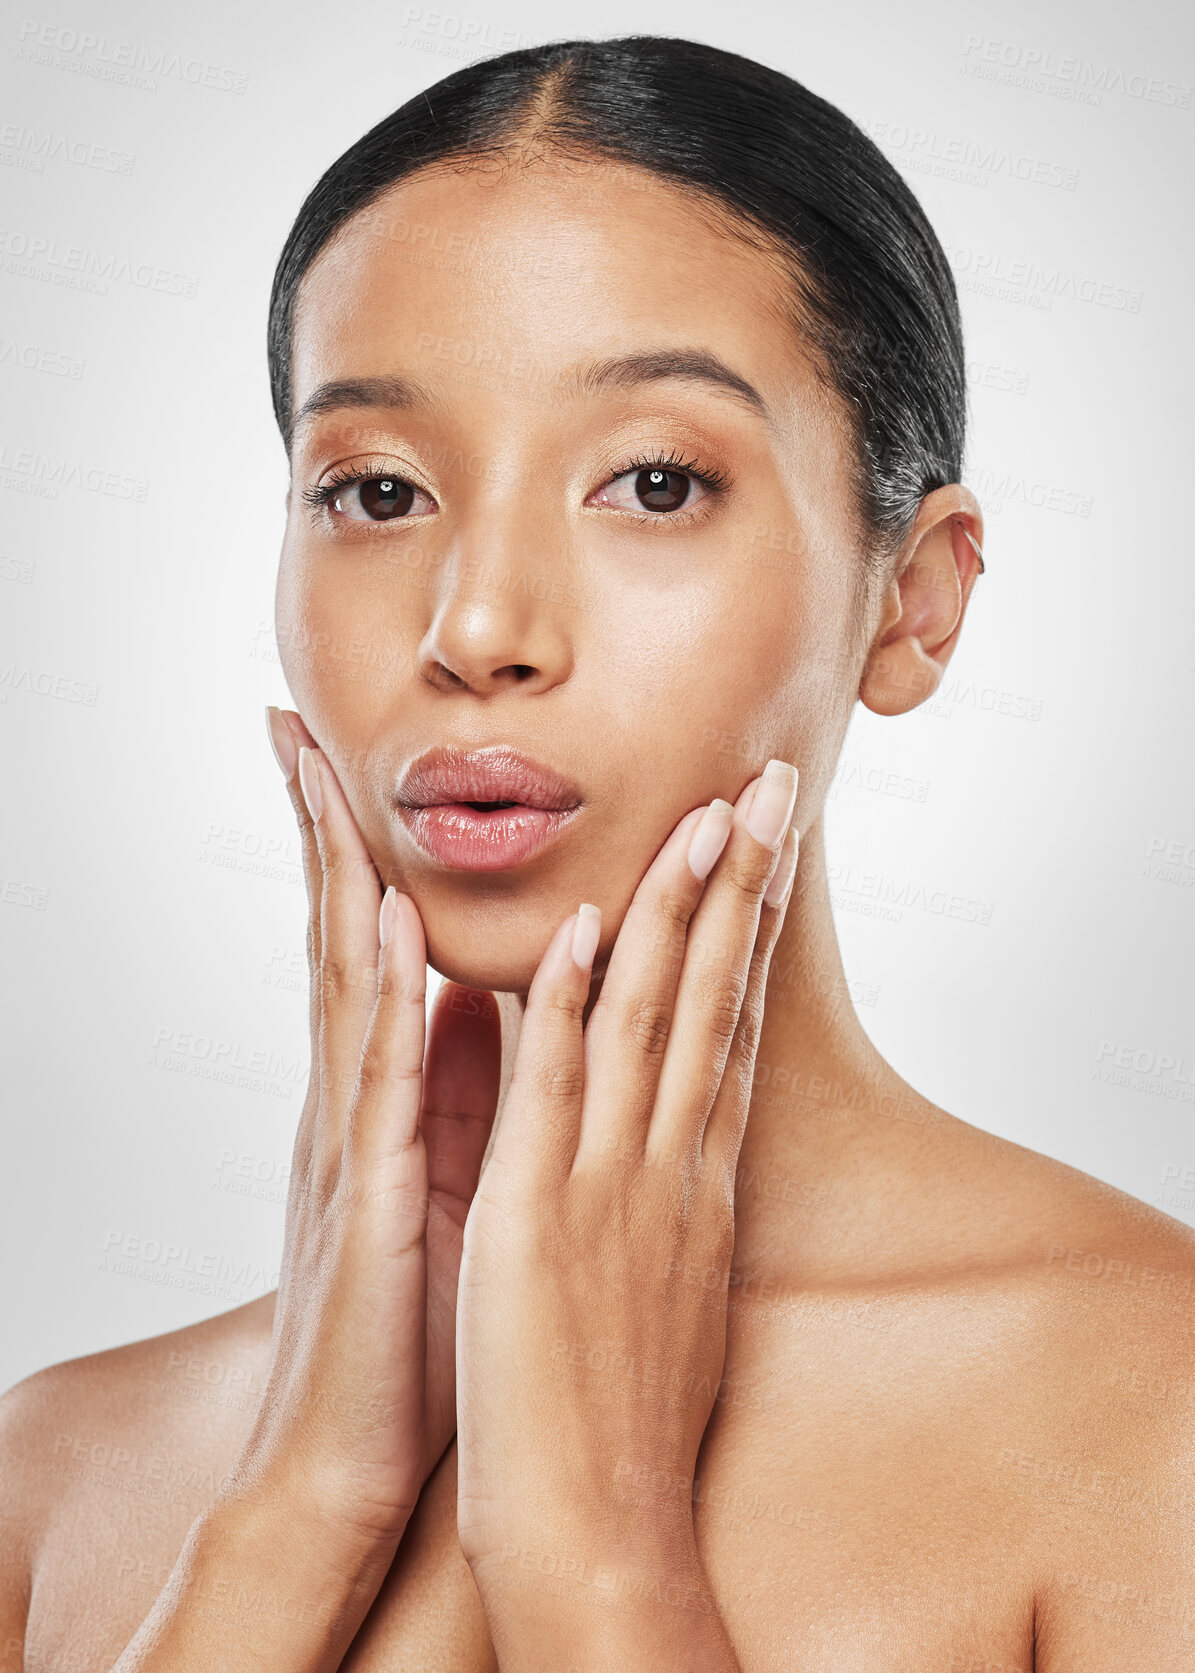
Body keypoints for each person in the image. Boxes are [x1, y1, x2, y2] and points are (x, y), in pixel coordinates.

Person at [3, 34, 1193, 1673]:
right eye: (374, 490)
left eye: (650, 481)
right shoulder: (54, 1477)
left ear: (915, 599)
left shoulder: (1150, 1409)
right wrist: (296, 1516)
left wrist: (600, 1562)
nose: (476, 626)